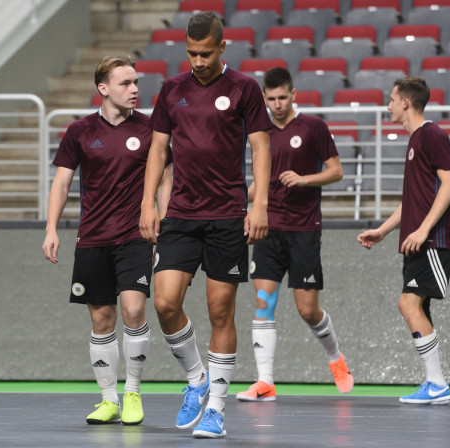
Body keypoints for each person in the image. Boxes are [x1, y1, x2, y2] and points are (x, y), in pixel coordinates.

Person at [139, 12, 272, 439]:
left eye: (206, 53)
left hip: (228, 216)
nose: (198, 61)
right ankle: (197, 378)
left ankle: (215, 407)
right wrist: (147, 203)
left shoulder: (245, 89)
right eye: (192, 53)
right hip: (180, 214)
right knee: (164, 303)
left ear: (222, 48)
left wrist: (260, 205)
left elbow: (261, 148)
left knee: (220, 310)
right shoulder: (172, 90)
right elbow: (158, 150)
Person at [42, 56, 172, 425]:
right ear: (103, 89)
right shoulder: (79, 131)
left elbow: (165, 180)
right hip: (92, 238)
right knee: (102, 319)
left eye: (136, 82)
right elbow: (62, 183)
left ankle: (132, 392)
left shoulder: (151, 130)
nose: (135, 89)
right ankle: (108, 399)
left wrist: (163, 222)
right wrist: (52, 228)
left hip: (137, 236)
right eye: (125, 83)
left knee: (133, 311)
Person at [236, 67, 353, 402]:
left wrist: (304, 179)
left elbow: (336, 171)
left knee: (307, 310)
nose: (276, 104)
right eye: (270, 99)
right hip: (267, 229)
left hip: (304, 229)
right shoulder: (259, 131)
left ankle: (334, 357)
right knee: (263, 303)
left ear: (293, 95)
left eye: (282, 98)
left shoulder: (313, 126)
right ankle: (265, 382)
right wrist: (249, 196)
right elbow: (260, 180)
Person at [357, 77, 450, 405]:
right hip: (415, 242)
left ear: (405, 103)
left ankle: (437, 384)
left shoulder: (432, 135)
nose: (387, 106)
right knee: (416, 307)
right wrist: (383, 231)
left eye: (391, 100)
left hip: (431, 241)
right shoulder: (415, 140)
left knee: (408, 303)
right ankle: (433, 382)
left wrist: (425, 230)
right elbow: (411, 200)